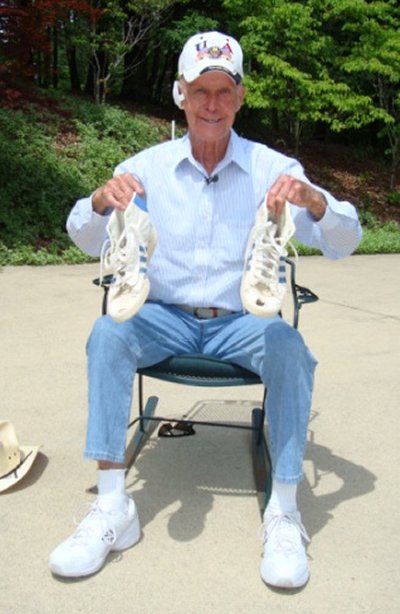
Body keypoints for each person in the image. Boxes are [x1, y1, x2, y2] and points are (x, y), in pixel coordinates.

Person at [49, 31, 362, 588]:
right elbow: (79, 234)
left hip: (241, 322)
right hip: (163, 315)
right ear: (181, 94)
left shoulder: (272, 167)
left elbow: (346, 239)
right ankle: (114, 508)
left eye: (224, 91)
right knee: (107, 334)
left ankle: (284, 511)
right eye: (200, 91)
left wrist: (315, 199)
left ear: (240, 98)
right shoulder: (147, 165)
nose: (211, 104)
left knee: (289, 349)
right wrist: (99, 200)